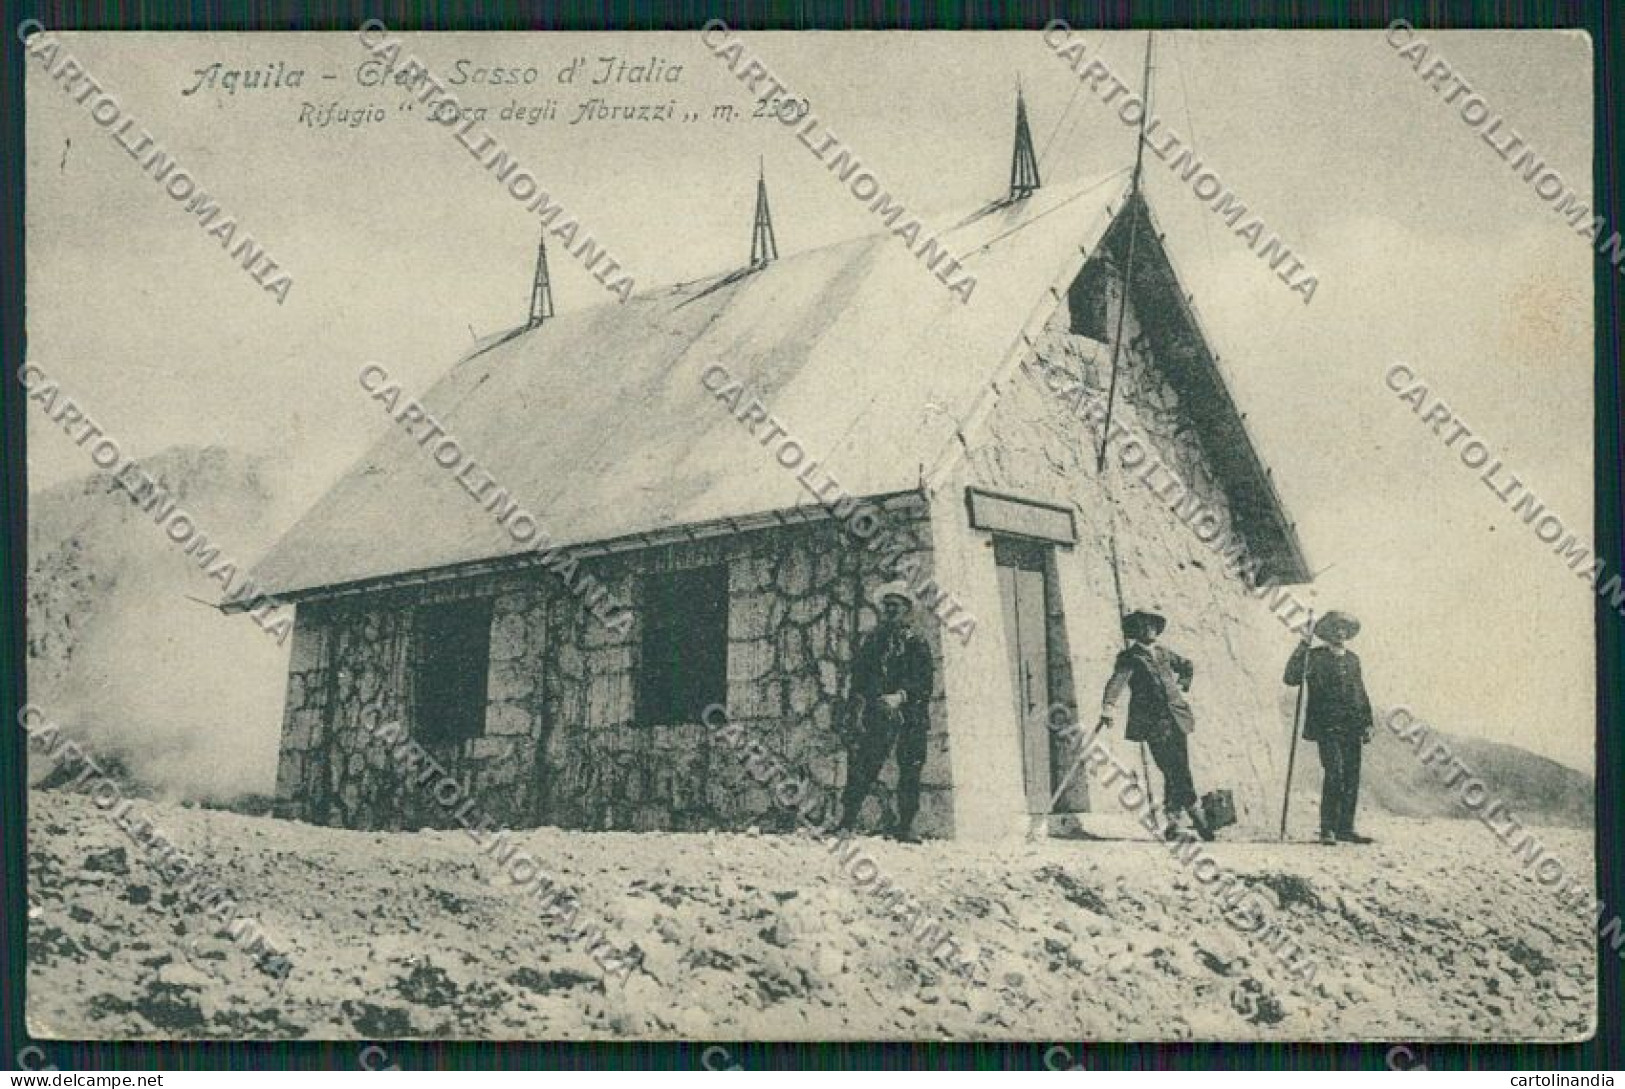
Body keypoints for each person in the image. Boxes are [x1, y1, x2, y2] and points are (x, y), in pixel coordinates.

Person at [1098, 609, 1212, 841]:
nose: (1149, 629)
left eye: (1152, 625)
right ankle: (1196, 814)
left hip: (1177, 718)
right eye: (1144, 626)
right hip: (1153, 723)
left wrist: (1183, 684)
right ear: (1136, 631)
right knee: (1171, 767)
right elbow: (1116, 682)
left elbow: (1187, 665)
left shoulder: (1163, 653)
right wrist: (1108, 707)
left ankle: (1173, 820)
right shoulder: (1130, 657)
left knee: (1178, 766)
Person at [839, 580, 935, 842]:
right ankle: (846, 822)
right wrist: (860, 704)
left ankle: (906, 826)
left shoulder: (918, 642)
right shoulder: (873, 641)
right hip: (878, 713)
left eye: (896, 606)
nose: (891, 611)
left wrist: (901, 696)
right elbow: (859, 676)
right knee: (865, 764)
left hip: (911, 715)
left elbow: (924, 682)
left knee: (910, 768)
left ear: (907, 610)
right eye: (887, 606)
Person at [1284, 610, 1374, 845]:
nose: (1340, 633)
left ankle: (1346, 827)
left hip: (1352, 726)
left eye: (1344, 629)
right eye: (1335, 628)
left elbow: (1360, 693)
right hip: (1327, 725)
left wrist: (1367, 722)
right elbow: (1291, 677)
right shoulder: (1314, 657)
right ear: (1326, 633)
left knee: (1352, 776)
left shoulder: (1354, 659)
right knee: (1335, 773)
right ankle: (1328, 829)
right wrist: (1304, 643)